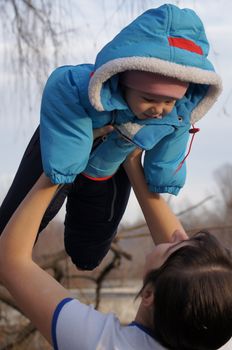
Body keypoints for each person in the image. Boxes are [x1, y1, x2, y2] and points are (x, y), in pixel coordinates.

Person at [0, 4, 222, 270]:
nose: (159, 109)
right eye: (149, 98)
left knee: (88, 255)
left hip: (108, 169)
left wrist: (164, 177)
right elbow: (61, 84)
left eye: (169, 101)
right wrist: (66, 161)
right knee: (9, 229)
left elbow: (172, 146)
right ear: (123, 81)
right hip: (59, 151)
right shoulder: (86, 86)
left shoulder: (176, 115)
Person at [0, 150, 231, 350]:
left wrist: (61, 167)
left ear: (149, 294)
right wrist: (132, 162)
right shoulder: (213, 330)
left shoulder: (102, 344)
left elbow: (10, 261)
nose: (178, 234)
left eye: (175, 246)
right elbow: (189, 277)